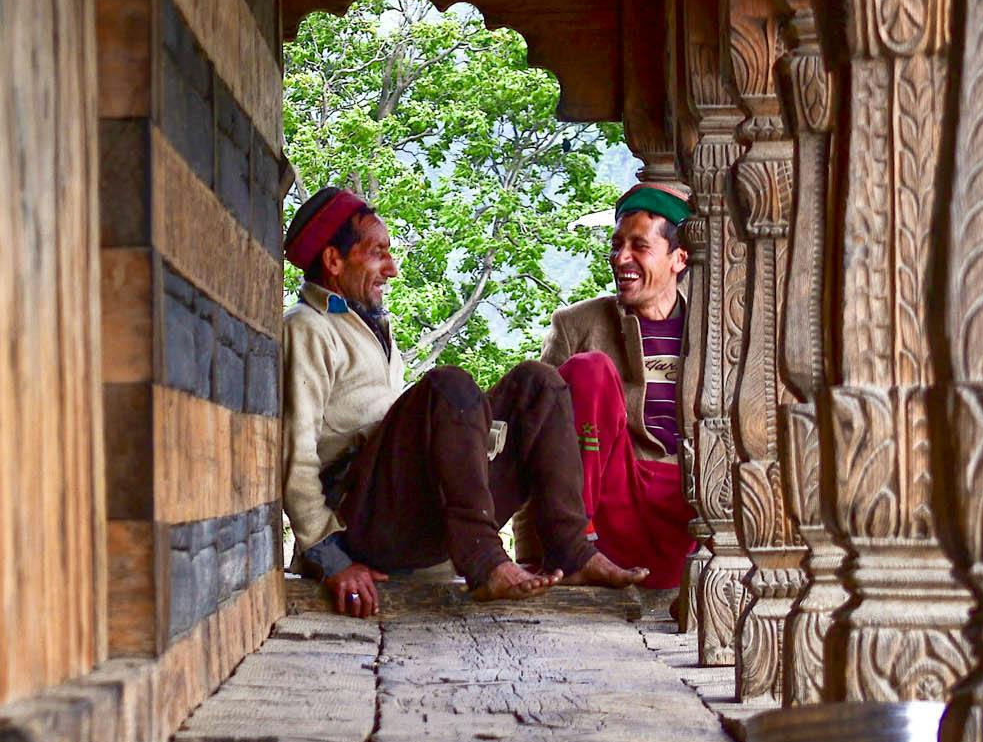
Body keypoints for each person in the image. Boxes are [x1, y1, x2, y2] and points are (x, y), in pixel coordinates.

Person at [280, 185, 648, 619]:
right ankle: (484, 560)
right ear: (333, 261)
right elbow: (294, 455)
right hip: (361, 524)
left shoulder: (369, 322)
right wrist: (330, 559)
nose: (392, 270)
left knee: (538, 384)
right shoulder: (306, 328)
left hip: (412, 515)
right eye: (378, 253)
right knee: (447, 386)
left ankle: (571, 550)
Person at [533, 181, 699, 594]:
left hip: (685, 516)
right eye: (616, 244)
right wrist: (530, 554)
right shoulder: (577, 325)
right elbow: (536, 435)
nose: (621, 258)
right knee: (590, 370)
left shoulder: (714, 328)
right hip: (608, 510)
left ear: (680, 258)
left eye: (639, 247)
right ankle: (573, 547)